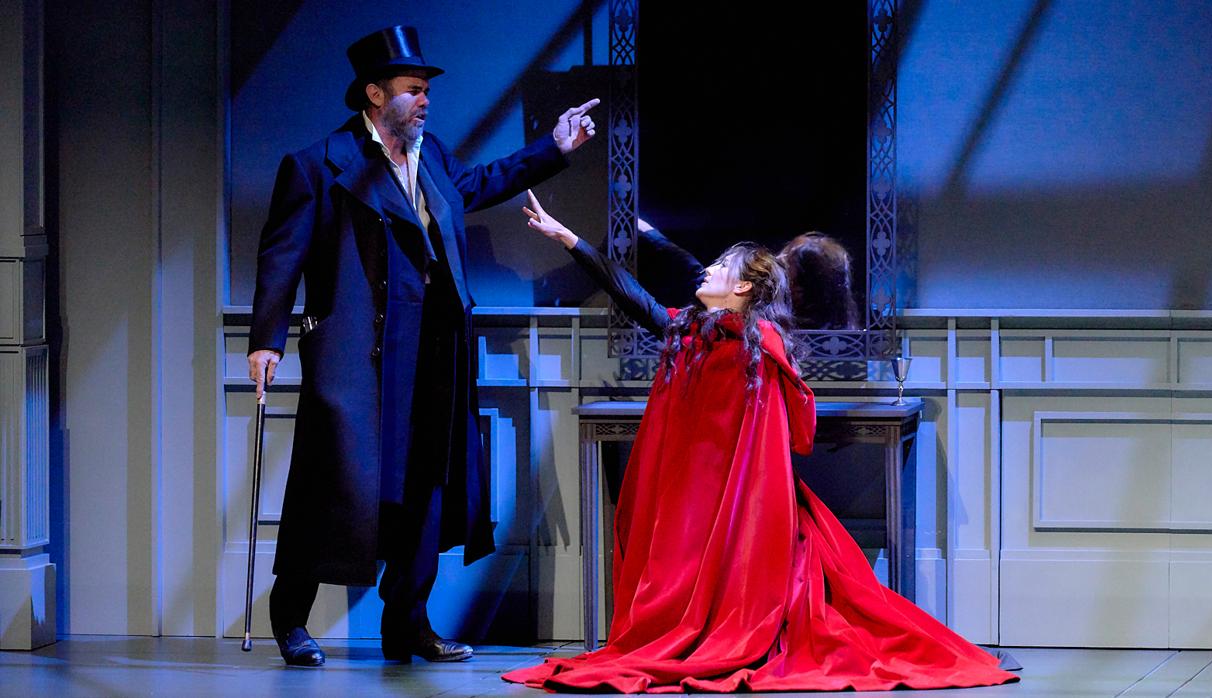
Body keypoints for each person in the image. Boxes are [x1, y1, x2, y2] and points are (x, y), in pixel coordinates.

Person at [502, 192, 1017, 692]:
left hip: (743, 514)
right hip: (696, 505)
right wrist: (570, 240)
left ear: (744, 287)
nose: (708, 269)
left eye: (721, 266)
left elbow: (767, 449)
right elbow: (633, 297)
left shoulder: (759, 348)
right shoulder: (689, 332)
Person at [246, 26, 599, 667]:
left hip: (434, 350)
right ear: (375, 94)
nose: (426, 100)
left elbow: (483, 183)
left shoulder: (429, 153)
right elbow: (281, 256)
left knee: (425, 486)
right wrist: (266, 339)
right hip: (356, 352)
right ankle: (290, 617)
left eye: (427, 90)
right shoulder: (319, 163)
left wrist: (552, 147)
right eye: (414, 89)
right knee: (332, 485)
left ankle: (407, 622)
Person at [634, 218, 861, 329]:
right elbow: (694, 271)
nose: (773, 264)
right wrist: (646, 230)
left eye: (784, 263)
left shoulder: (763, 327)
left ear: (801, 290)